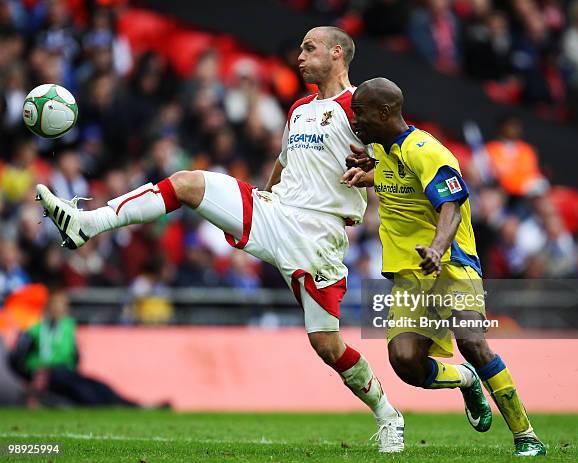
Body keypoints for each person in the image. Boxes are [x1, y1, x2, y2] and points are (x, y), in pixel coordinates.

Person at [35, 27, 404, 452]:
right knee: (188, 183)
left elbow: (400, 163)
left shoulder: (362, 106)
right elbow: (283, 167)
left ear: (337, 53)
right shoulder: (300, 109)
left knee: (326, 344)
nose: (299, 56)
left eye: (309, 48)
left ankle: (388, 414)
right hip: (275, 212)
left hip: (318, 236)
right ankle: (88, 223)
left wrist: (371, 175)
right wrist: (263, 200)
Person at [342, 77, 546, 457]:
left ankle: (526, 434)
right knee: (406, 364)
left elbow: (450, 205)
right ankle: (465, 382)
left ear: (384, 113)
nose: (355, 120)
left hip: (451, 264)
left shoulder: (426, 150)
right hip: (408, 275)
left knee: (472, 342)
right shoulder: (383, 149)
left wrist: (437, 248)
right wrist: (368, 174)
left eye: (360, 112)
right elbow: (397, 180)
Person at [8, 285, 139, 407]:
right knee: (84, 392)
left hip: (66, 372)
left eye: (63, 304)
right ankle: (107, 405)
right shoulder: (33, 329)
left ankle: (129, 404)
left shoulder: (67, 327)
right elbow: (16, 358)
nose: (60, 308)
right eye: (56, 304)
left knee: (99, 386)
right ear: (48, 306)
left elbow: (75, 356)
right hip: (48, 376)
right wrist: (31, 376)